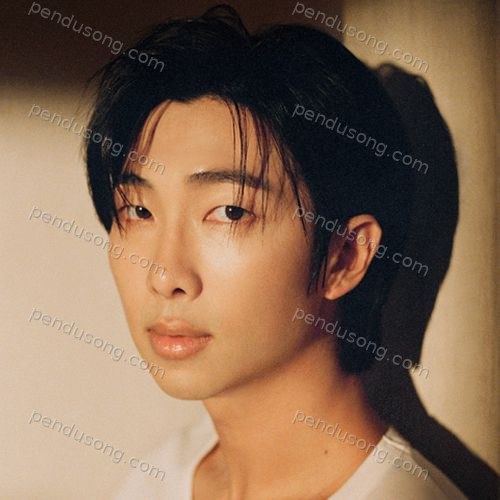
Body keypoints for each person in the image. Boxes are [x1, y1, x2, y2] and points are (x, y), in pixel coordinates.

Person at [84, 4, 466, 499]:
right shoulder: (156, 477)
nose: (164, 275)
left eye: (230, 212)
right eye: (138, 210)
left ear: (346, 256)